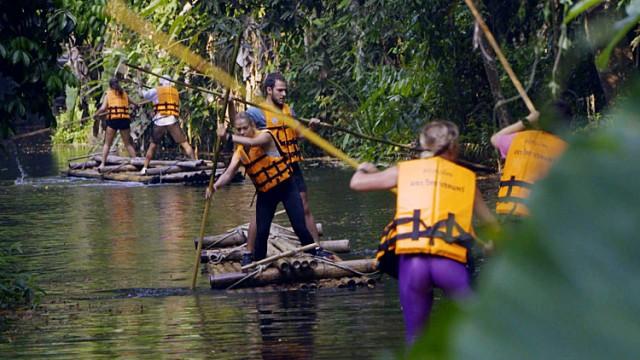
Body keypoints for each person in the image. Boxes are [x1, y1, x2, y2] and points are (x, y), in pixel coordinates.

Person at [350, 120, 497, 344]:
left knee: (416, 341)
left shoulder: (403, 171)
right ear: (454, 147)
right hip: (449, 264)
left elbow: (357, 183)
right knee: (479, 336)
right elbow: (493, 228)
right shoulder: (467, 178)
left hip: (414, 263)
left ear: (422, 144)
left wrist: (365, 168)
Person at [206, 112, 332, 263]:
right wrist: (214, 187)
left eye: (244, 128)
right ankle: (258, 260)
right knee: (262, 230)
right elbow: (229, 173)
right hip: (266, 193)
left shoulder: (265, 136)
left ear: (252, 126)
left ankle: (314, 252)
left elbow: (253, 143)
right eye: (238, 130)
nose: (241, 132)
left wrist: (227, 137)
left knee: (299, 225)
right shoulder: (240, 151)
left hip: (286, 187)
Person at [490, 101, 570, 217]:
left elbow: (495, 139)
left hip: (506, 210)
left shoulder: (518, 138)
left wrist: (528, 119)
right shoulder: (564, 149)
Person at [138, 75, 195, 174]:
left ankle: (144, 168)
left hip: (160, 121)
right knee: (185, 143)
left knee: (153, 145)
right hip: (171, 120)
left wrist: (139, 87)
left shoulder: (156, 90)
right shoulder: (175, 91)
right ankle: (195, 163)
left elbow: (143, 94)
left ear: (160, 82)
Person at [94, 78, 138, 171]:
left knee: (107, 144)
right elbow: (135, 104)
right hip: (124, 120)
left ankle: (102, 164)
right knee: (128, 144)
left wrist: (96, 114)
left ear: (110, 86)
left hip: (114, 120)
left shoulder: (108, 94)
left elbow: (103, 108)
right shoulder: (125, 94)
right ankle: (137, 161)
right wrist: (134, 106)